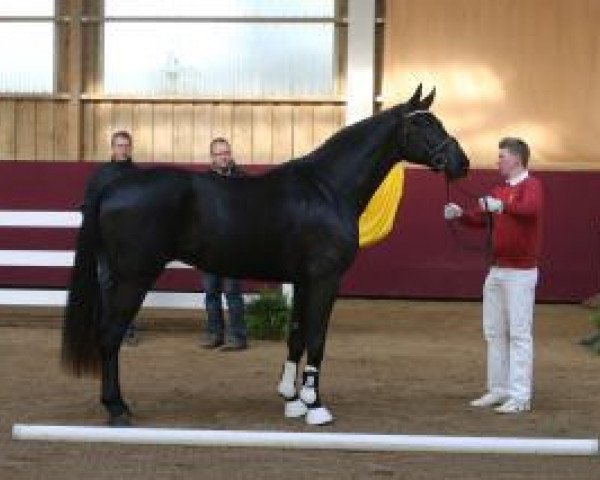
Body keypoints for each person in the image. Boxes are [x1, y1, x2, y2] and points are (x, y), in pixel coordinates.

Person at [444, 137, 543, 413]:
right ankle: (498, 389)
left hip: (521, 273)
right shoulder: (499, 190)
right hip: (497, 270)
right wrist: (460, 214)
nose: (497, 161)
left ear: (517, 159)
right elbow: (480, 217)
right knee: (494, 332)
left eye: (502, 156)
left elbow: (530, 209)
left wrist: (501, 207)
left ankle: (520, 396)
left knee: (519, 334)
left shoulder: (532, 186)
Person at [83, 130, 139, 346]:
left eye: (126, 145)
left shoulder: (138, 176)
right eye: (119, 145)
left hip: (130, 243)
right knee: (106, 283)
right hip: (105, 241)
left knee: (129, 284)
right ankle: (109, 326)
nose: (123, 149)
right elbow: (88, 204)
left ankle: (129, 329)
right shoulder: (101, 175)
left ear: (130, 148)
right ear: (112, 148)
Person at [201, 138, 248, 352]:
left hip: (233, 247)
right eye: (219, 153)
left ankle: (238, 337)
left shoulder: (243, 179)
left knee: (232, 292)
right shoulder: (203, 182)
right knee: (211, 293)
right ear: (212, 157)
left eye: (226, 152)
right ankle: (215, 335)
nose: (224, 156)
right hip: (209, 248)